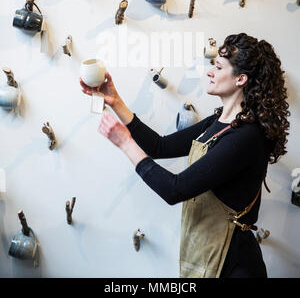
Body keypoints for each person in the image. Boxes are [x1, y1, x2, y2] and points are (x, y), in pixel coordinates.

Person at [80, 33, 290, 278]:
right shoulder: (218, 122)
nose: (210, 71)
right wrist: (115, 102)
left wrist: (126, 144)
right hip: (205, 256)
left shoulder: (246, 137)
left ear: (241, 79)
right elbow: (160, 147)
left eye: (218, 66)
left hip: (233, 267)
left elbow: (175, 190)